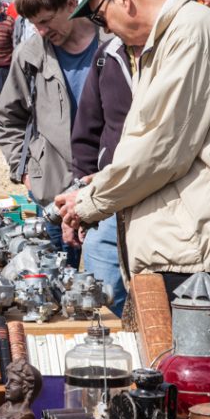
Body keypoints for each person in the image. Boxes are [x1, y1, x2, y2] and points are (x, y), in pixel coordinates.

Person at [56, 0, 210, 325]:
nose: (105, 29)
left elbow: (160, 152)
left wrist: (88, 203)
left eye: (101, 16)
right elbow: (157, 144)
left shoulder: (191, 34)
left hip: (195, 256)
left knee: (185, 378)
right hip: (186, 247)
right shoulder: (177, 35)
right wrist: (100, 181)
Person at [0, 0, 102, 268]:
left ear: (71, 4)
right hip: (52, 191)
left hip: (108, 189)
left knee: (109, 290)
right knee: (57, 292)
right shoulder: (29, 55)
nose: (41, 31)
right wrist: (25, 170)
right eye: (33, 24)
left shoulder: (114, 43)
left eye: (45, 21)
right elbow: (7, 117)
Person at [69, 27, 134, 317]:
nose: (104, 24)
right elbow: (88, 128)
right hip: (108, 199)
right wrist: (81, 191)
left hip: (158, 203)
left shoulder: (173, 50)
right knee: (103, 308)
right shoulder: (107, 56)